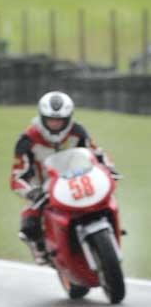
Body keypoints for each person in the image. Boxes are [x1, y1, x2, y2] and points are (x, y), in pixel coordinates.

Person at [10, 90, 117, 264]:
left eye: (59, 120)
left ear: (68, 118)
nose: (55, 124)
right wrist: (31, 192)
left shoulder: (78, 131)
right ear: (42, 117)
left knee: (107, 200)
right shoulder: (27, 140)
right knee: (28, 224)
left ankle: (112, 232)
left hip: (80, 179)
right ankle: (41, 249)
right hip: (45, 189)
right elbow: (17, 177)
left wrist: (110, 169)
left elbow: (97, 154)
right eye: (51, 119)